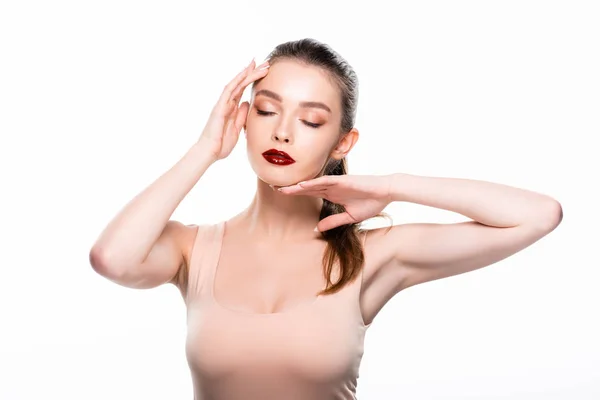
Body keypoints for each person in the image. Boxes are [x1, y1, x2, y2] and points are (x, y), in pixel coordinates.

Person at [89, 38, 563, 400]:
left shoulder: (372, 255)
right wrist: (204, 150)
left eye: (311, 121)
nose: (282, 131)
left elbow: (538, 216)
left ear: (342, 143)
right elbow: (112, 258)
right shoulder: (193, 248)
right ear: (244, 118)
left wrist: (392, 186)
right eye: (267, 109)